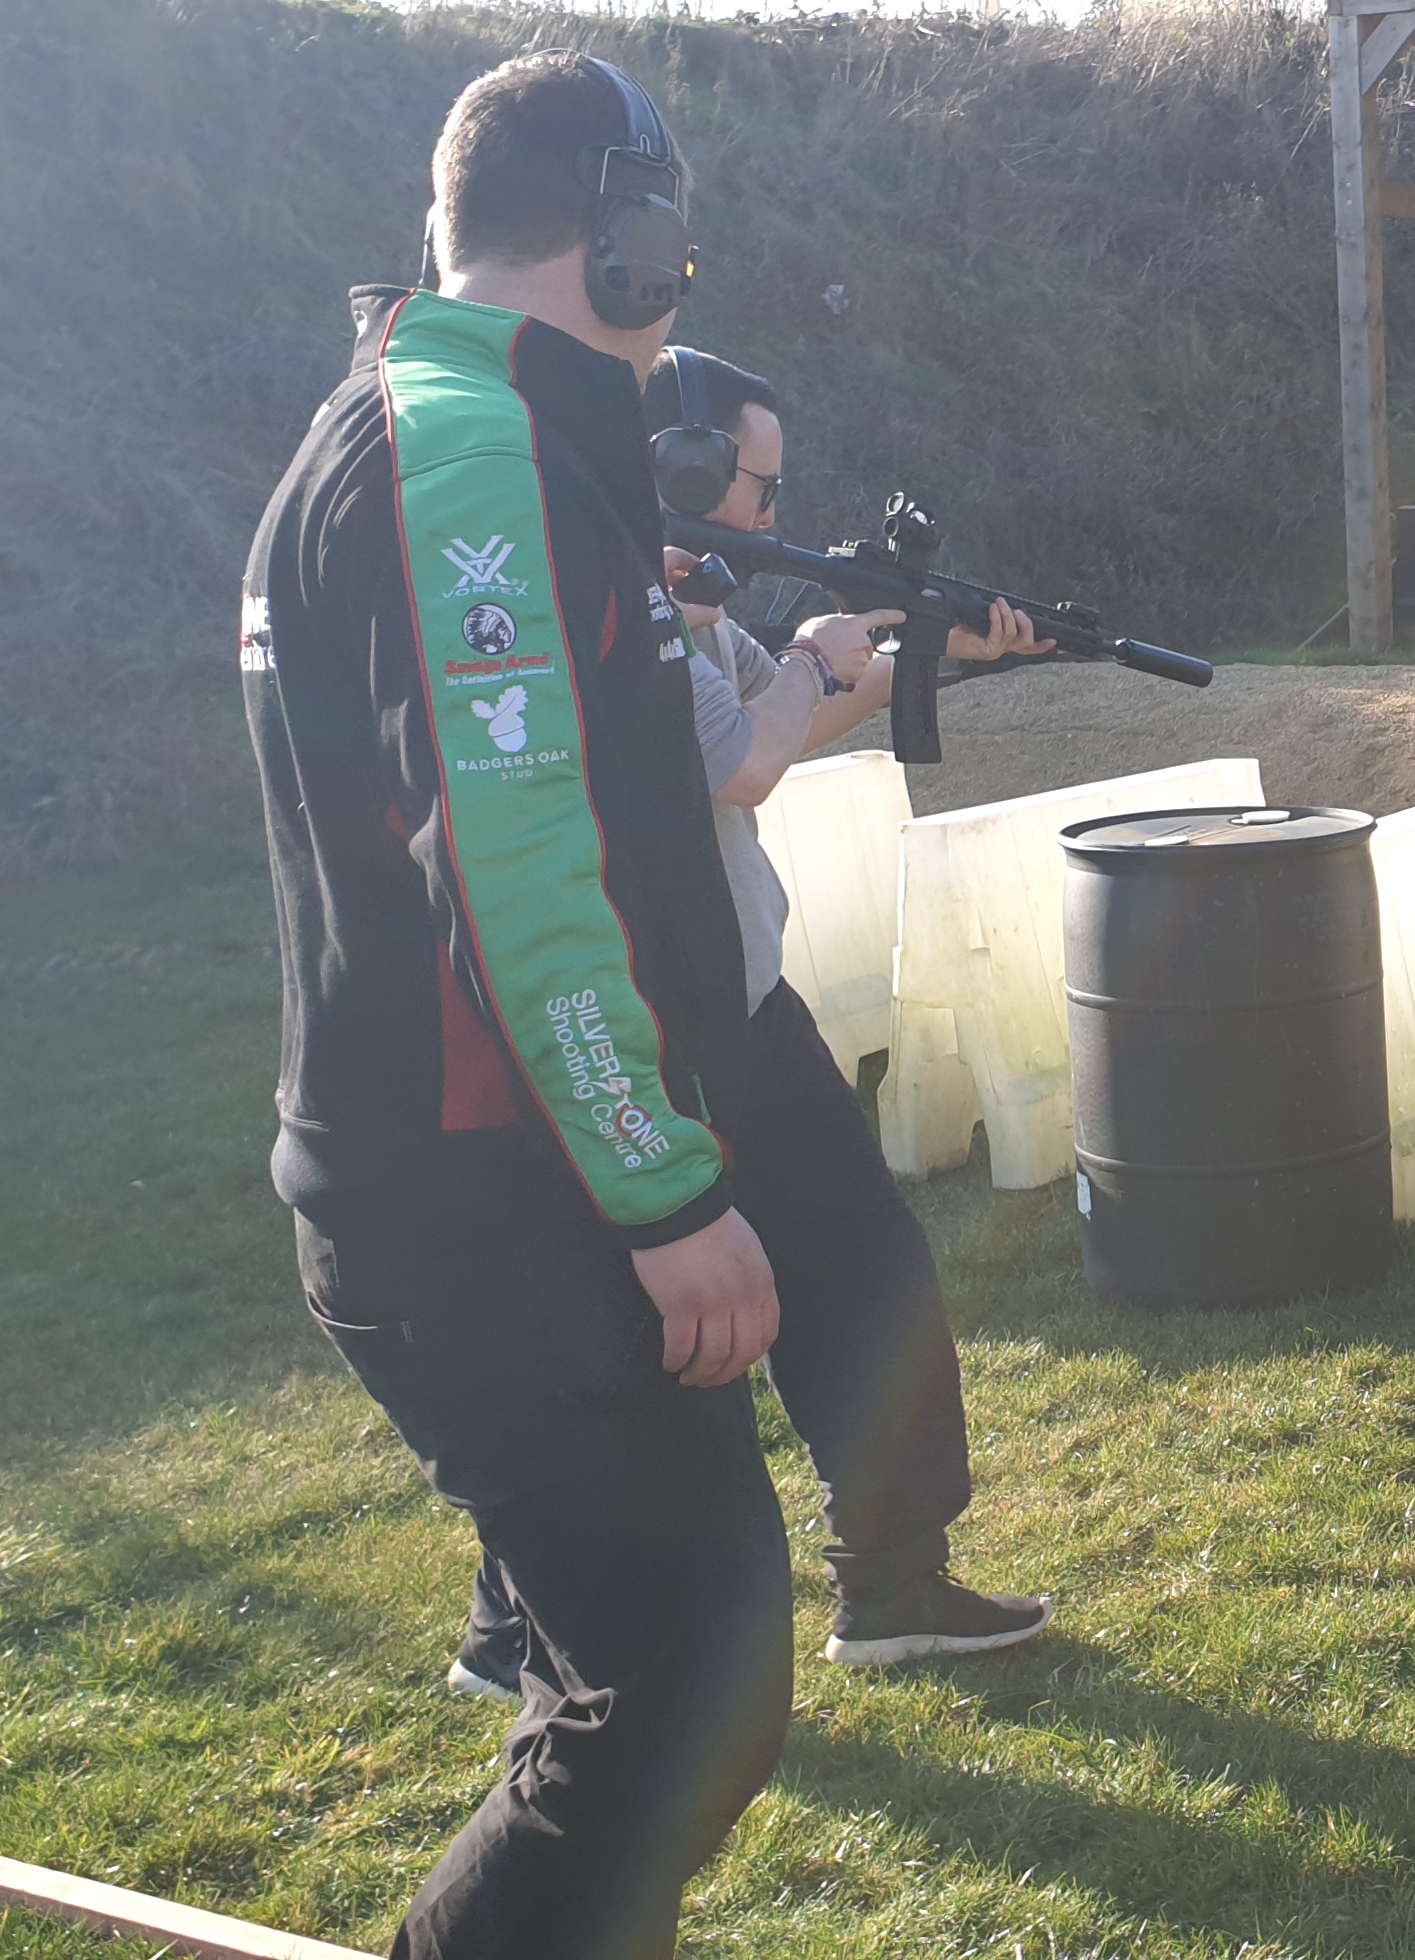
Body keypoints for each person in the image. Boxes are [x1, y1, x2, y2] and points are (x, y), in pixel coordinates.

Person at [236, 52, 1001, 1959]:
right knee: (677, 1685)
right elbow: (522, 870)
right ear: (632, 243)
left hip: (477, 1183)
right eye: (676, 252)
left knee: (675, 1680)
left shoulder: (452, 428)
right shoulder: (471, 460)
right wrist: (665, 1189)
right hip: (492, 1202)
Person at [439, 345, 1052, 1702]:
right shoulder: (628, 597)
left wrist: (925, 650)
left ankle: (515, 1622)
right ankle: (891, 1584)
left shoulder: (654, 592)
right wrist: (825, 655)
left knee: (618, 1317)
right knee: (858, 1278)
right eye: (757, 490)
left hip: (685, 1000)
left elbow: (772, 727)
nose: (771, 517)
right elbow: (747, 757)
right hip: (682, 1014)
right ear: (678, 471)